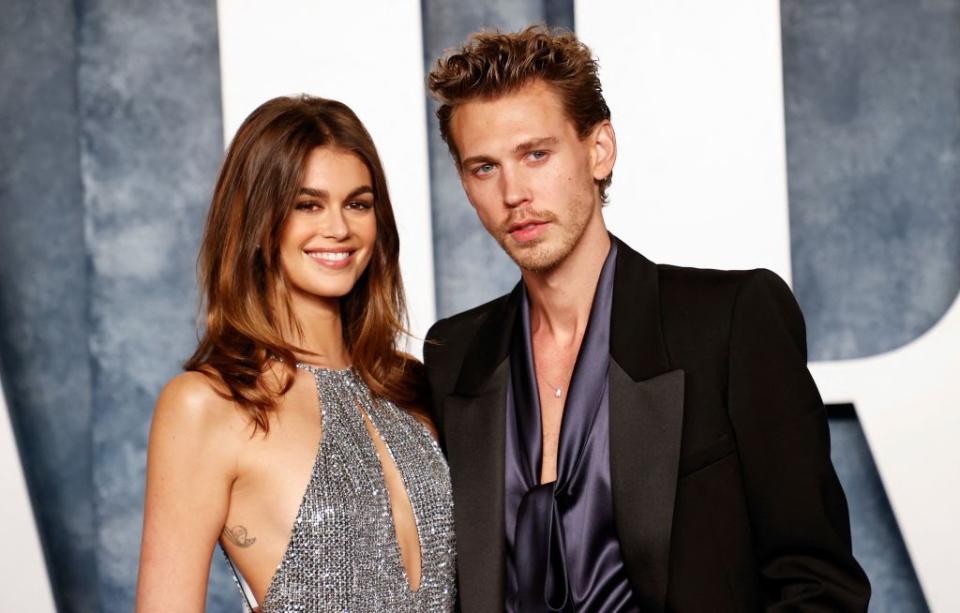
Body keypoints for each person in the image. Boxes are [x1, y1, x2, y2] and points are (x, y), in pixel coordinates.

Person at [423, 26, 870, 612]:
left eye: (536, 154)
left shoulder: (729, 321)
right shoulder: (454, 353)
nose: (514, 192)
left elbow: (818, 583)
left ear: (599, 149)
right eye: (484, 167)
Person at [136, 96, 455, 612]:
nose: (339, 228)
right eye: (307, 204)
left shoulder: (411, 386)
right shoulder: (208, 405)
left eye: (358, 203)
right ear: (259, 222)